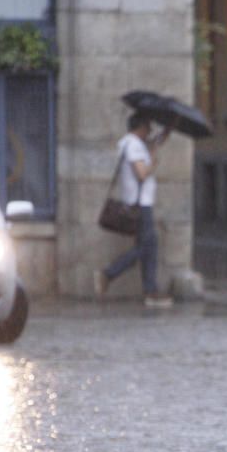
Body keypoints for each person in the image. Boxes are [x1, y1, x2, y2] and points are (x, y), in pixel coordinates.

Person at [95, 111, 173, 308]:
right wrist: (153, 162)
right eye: (148, 127)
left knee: (149, 246)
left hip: (140, 203)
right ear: (140, 127)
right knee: (146, 246)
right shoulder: (133, 145)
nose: (150, 131)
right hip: (141, 204)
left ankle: (150, 291)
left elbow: (154, 144)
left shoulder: (131, 143)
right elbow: (141, 173)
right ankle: (108, 274)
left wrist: (166, 133)